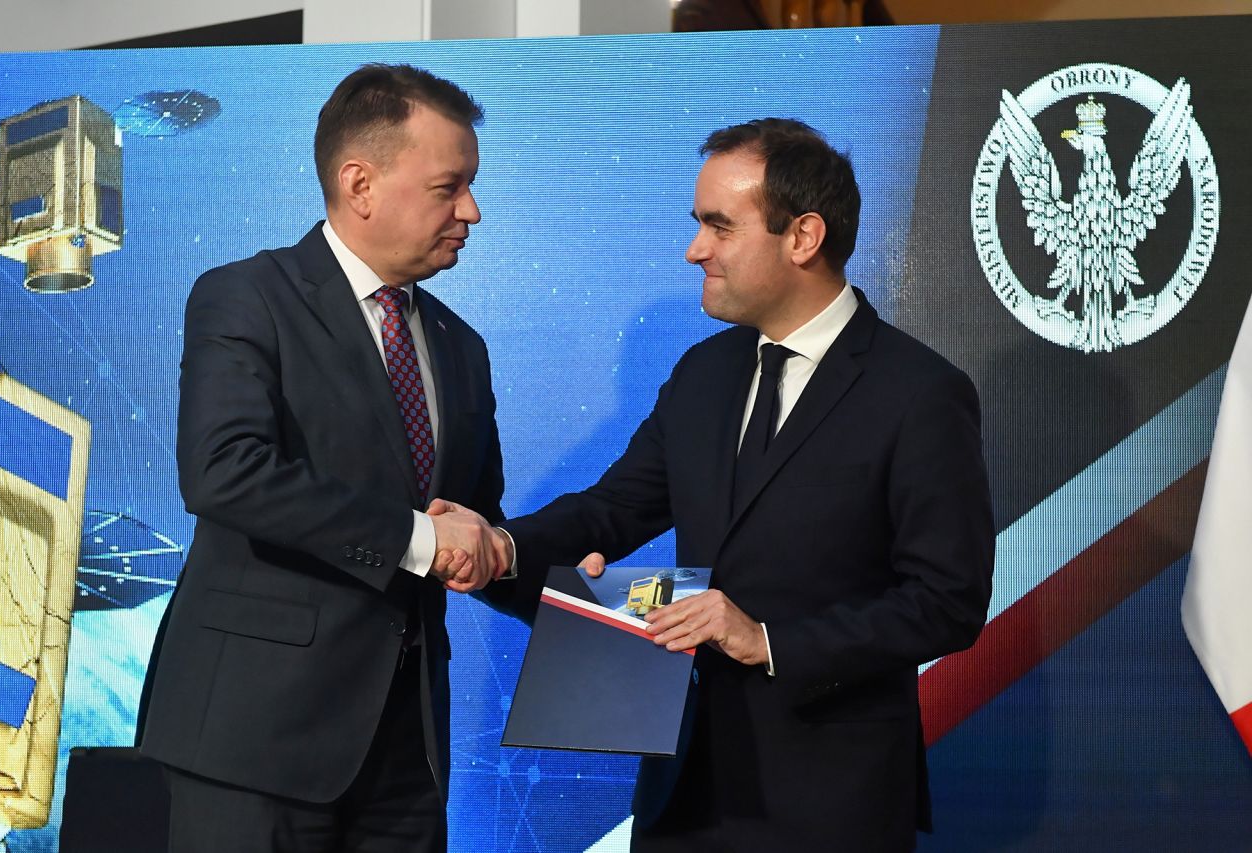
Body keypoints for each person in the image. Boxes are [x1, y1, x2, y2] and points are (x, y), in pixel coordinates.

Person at [454, 118, 994, 851]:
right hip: (686, 795)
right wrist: (498, 547)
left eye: (719, 226)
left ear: (802, 237)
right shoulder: (702, 374)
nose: (694, 248)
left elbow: (947, 600)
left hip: (833, 802)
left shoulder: (920, 392)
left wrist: (766, 639)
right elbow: (612, 512)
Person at [137, 64, 510, 853]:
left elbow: (472, 526)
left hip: (408, 756)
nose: (472, 211)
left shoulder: (461, 348)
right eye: (450, 187)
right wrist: (419, 540)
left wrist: (610, 601)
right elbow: (224, 469)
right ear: (360, 183)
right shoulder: (246, 296)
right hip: (254, 745)